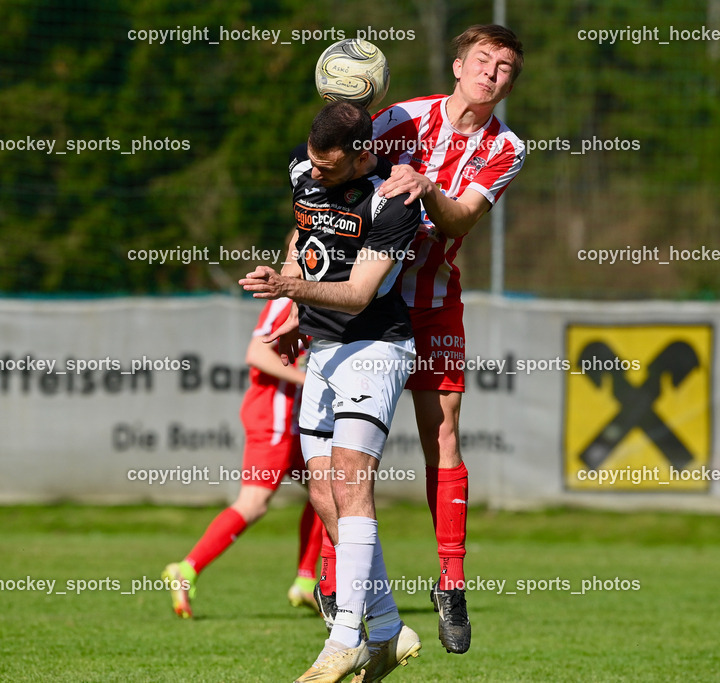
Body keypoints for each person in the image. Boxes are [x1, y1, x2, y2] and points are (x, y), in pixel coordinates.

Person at [314, 24, 526, 655]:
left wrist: (428, 187)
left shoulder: (506, 147)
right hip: (364, 302)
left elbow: (462, 216)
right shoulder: (399, 117)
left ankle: (451, 584)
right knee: (333, 449)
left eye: (506, 67)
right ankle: (331, 573)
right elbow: (339, 172)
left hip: (433, 305)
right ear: (458, 65)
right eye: (482, 60)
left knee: (444, 436)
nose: (492, 72)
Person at [240, 101, 421, 682]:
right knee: (323, 495)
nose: (313, 173)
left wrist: (289, 286)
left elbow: (361, 292)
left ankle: (345, 637)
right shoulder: (304, 167)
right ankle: (389, 629)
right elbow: (303, 233)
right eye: (311, 162)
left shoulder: (394, 201)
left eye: (327, 166)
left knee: (349, 480)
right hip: (321, 348)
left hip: (374, 347)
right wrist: (294, 303)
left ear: (362, 153)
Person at [162, 296, 323, 618]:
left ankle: (306, 583)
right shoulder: (286, 300)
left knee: (330, 491)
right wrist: (311, 381)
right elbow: (257, 352)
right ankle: (186, 569)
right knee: (253, 503)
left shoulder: (314, 295)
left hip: (295, 422)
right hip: (275, 420)